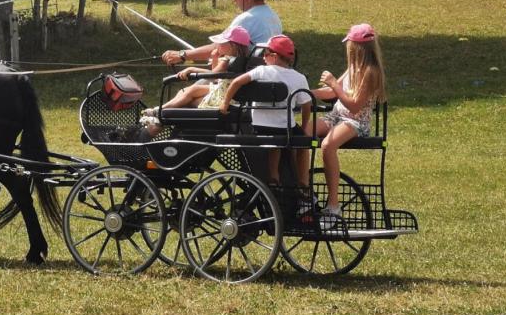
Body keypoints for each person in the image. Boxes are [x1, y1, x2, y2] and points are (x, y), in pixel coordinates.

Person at [308, 23, 387, 229]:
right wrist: (306, 92)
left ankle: (333, 206)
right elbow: (332, 94)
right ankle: (300, 190)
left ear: (356, 48)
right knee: (302, 133)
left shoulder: (370, 72)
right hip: (336, 115)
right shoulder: (353, 68)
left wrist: (334, 83)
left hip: (355, 121)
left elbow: (354, 106)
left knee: (327, 145)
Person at [217, 34, 313, 193]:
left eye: (265, 54)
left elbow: (236, 82)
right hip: (285, 130)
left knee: (274, 146)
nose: (263, 58)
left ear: (274, 56)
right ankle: (303, 183)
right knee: (304, 145)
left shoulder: (261, 71)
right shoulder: (299, 78)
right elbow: (307, 105)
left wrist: (225, 103)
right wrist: (303, 127)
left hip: (260, 127)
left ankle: (274, 177)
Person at [140, 26, 250, 134]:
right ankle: (158, 112)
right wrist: (215, 58)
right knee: (192, 90)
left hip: (223, 95)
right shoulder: (242, 59)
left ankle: (158, 112)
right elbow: (216, 76)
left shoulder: (227, 60)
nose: (217, 45)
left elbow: (213, 76)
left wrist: (192, 69)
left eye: (221, 43)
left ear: (232, 46)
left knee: (190, 95)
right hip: (226, 91)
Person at [161, 0, 282, 67]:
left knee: (184, 94)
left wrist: (182, 55)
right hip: (263, 73)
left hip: (243, 79)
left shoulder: (246, 18)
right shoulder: (274, 16)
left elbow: (219, 47)